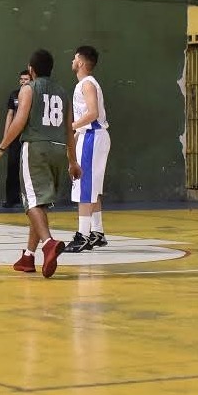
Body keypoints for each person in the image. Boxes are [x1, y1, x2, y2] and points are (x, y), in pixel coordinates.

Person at [0, 49, 79, 279]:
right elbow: (69, 128)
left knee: (30, 203)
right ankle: (28, 256)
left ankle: (48, 244)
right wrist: (73, 161)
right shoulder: (63, 93)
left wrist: (1, 147)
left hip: (36, 148)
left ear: (31, 69)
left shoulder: (28, 89)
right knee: (40, 203)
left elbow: (19, 121)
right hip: (59, 149)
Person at [64, 46, 111, 253]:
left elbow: (92, 113)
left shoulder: (87, 84)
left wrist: (71, 126)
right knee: (92, 187)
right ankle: (97, 232)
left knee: (84, 187)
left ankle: (82, 236)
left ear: (81, 62)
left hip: (93, 136)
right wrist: (73, 138)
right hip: (90, 136)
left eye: (74, 58)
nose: (72, 61)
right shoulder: (86, 84)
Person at [1, 70, 32, 208]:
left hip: (30, 136)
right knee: (12, 166)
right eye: (21, 79)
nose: (23, 81)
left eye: (26, 79)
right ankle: (11, 199)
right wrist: (7, 134)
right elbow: (10, 114)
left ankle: (34, 200)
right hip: (15, 136)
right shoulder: (14, 94)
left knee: (30, 168)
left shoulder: (33, 95)